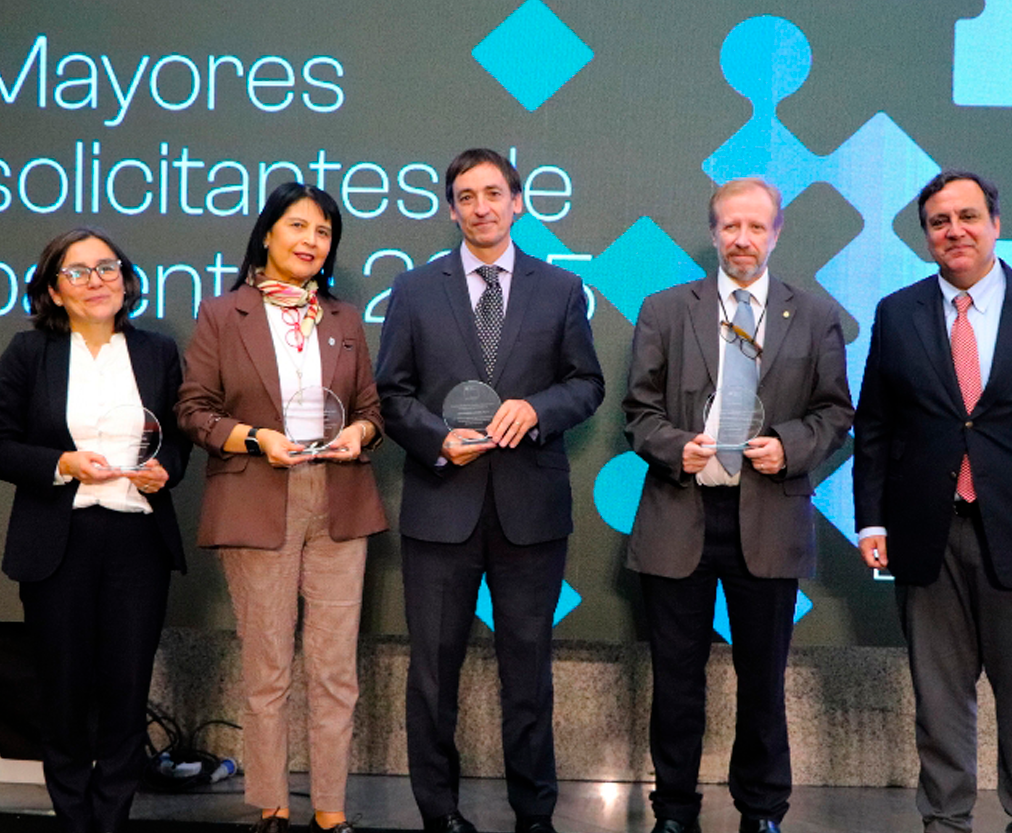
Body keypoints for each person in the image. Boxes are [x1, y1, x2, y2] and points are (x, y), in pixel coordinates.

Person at [853, 170, 1012, 833]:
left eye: (968, 216)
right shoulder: (897, 313)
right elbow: (876, 426)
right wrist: (871, 519)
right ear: (926, 237)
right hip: (926, 535)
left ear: (995, 224)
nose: (955, 231)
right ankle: (945, 820)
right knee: (939, 701)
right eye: (939, 222)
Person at [375, 148, 604, 833]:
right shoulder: (415, 288)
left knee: (528, 672)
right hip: (441, 504)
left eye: (494, 193)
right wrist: (435, 437)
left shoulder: (560, 288)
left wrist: (537, 409)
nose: (482, 207)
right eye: (467, 196)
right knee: (432, 674)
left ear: (518, 202)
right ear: (451, 210)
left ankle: (534, 812)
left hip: (530, 511)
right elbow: (392, 394)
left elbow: (586, 384)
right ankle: (439, 812)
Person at [622, 178, 853, 833]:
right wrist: (676, 447)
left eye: (755, 227)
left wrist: (789, 446)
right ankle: (674, 809)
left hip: (770, 516)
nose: (742, 239)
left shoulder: (815, 314)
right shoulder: (665, 309)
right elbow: (638, 411)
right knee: (676, 681)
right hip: (680, 512)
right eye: (730, 226)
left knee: (763, 680)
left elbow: (836, 412)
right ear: (713, 232)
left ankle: (762, 810)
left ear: (776, 233)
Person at [176, 182, 388, 833]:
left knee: (334, 669)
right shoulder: (223, 313)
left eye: (323, 232)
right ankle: (271, 804)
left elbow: (371, 410)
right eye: (297, 226)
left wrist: (360, 433)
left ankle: (330, 809)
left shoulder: (344, 318)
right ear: (267, 233)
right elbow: (193, 411)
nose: (310, 241)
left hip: (339, 500)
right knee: (268, 667)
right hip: (257, 498)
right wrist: (254, 438)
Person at [0, 227, 191, 833]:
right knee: (63, 692)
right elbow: (2, 443)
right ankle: (74, 820)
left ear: (126, 280)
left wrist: (167, 471)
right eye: (77, 272)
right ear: (54, 291)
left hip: (137, 541)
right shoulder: (29, 353)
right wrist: (63, 463)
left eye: (107, 268)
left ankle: (111, 820)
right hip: (59, 542)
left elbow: (177, 441)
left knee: (126, 691)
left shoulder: (157, 351)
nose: (96, 281)